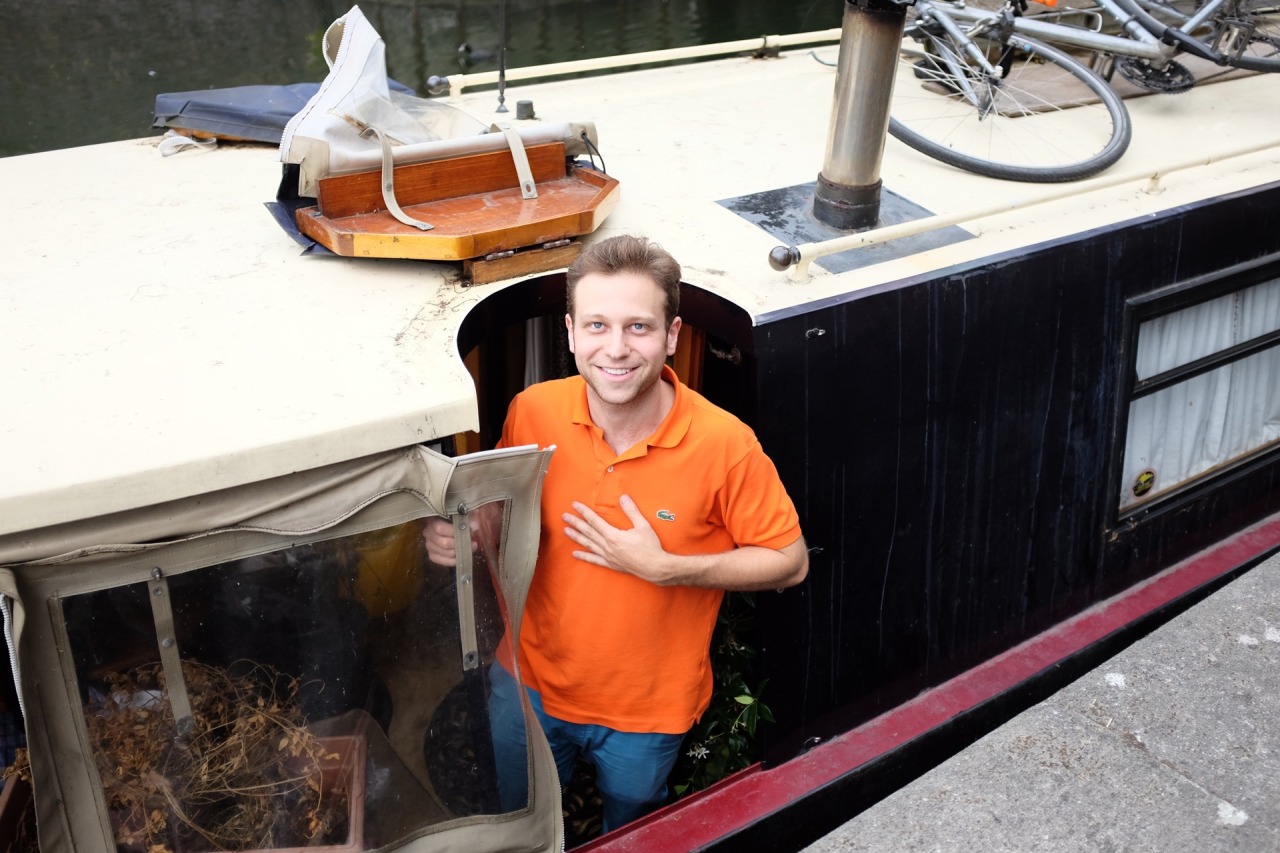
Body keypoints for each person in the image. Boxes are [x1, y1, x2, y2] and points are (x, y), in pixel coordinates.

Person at [424, 234, 807, 832]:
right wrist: (469, 533)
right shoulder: (534, 410)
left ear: (672, 336)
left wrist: (669, 567)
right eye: (598, 326)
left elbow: (791, 560)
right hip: (526, 682)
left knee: (630, 830)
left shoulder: (725, 445)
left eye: (639, 327)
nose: (617, 349)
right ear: (572, 332)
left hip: (647, 714)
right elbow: (500, 508)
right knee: (520, 819)